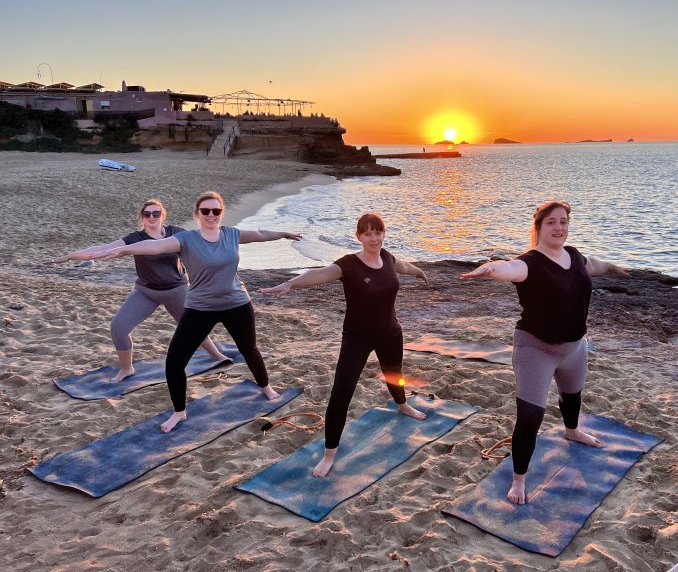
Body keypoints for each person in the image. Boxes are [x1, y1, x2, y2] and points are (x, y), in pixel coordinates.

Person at [87, 191, 302, 432]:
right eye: (205, 211)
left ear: (221, 213)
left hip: (237, 304)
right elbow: (154, 246)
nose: (211, 215)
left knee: (249, 349)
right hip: (200, 307)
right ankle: (179, 412)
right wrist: (124, 250)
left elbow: (260, 234)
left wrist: (283, 234)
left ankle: (266, 387)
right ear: (197, 214)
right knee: (175, 361)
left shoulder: (232, 234)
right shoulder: (186, 239)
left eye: (216, 211)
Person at [460, 200, 628, 504]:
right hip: (536, 349)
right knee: (530, 416)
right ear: (539, 227)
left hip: (574, 347)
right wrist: (489, 269)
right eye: (551, 222)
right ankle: (519, 480)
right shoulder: (531, 262)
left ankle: (572, 432)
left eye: (563, 222)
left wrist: (614, 267)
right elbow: (509, 268)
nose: (559, 227)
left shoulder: (575, 256)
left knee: (573, 395)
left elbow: (594, 266)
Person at [261, 212, 428, 477]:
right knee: (342, 392)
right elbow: (320, 274)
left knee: (393, 373)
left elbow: (404, 267)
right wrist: (290, 284)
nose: (374, 238)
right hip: (357, 339)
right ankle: (329, 453)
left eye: (378, 232)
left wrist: (419, 273)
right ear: (359, 236)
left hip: (391, 333)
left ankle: (402, 405)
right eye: (368, 233)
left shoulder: (387, 258)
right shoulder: (349, 265)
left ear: (384, 234)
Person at [51, 199, 231, 382]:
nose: (152, 217)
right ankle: (127, 369)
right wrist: (67, 257)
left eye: (156, 213)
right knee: (118, 328)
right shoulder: (135, 239)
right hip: (146, 292)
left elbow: (202, 245)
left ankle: (217, 355)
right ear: (142, 217)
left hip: (176, 290)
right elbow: (102, 249)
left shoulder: (176, 233)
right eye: (147, 214)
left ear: (163, 216)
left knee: (192, 328)